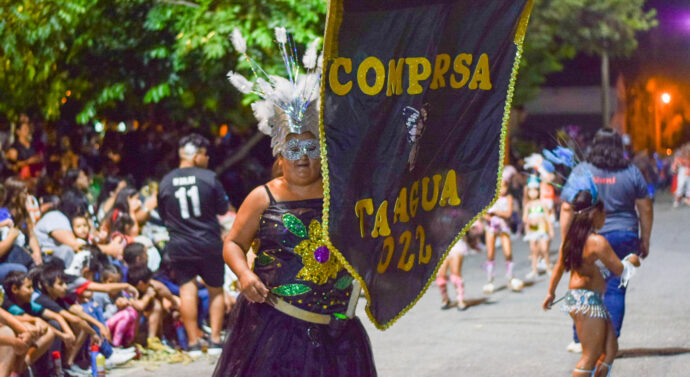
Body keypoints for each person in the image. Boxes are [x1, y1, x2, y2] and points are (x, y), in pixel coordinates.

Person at [216, 30, 375, 377]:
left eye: (310, 148)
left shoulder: (342, 192)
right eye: (293, 149)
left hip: (337, 330)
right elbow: (233, 243)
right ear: (279, 152)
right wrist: (243, 274)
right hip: (274, 327)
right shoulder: (263, 197)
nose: (303, 157)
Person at [559, 128, 653, 353]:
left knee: (585, 287)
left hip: (588, 237)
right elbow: (645, 207)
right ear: (618, 146)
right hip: (624, 235)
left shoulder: (582, 170)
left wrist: (566, 242)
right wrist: (645, 239)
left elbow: (566, 207)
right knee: (615, 290)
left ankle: (581, 339)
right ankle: (609, 342)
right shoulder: (631, 172)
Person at [544, 189, 640, 377]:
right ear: (595, 214)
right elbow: (620, 271)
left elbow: (559, 268)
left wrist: (551, 292)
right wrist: (632, 260)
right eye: (604, 213)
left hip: (585, 300)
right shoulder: (597, 242)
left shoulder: (572, 240)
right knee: (591, 355)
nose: (605, 218)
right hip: (586, 302)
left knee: (610, 349)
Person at [157, 133, 230, 353]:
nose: (207, 160)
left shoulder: (166, 181)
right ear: (197, 155)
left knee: (187, 290)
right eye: (206, 155)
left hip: (180, 244)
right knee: (215, 290)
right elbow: (223, 209)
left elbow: (163, 215)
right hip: (208, 242)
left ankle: (192, 342)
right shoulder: (208, 178)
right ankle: (216, 339)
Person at [483, 175, 523, 293]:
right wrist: (489, 217)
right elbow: (483, 213)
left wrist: (495, 212)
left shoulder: (508, 198)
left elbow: (508, 213)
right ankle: (490, 280)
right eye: (499, 187)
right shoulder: (489, 198)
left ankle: (511, 277)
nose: (502, 190)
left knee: (508, 253)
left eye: (504, 187)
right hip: (491, 227)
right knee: (490, 254)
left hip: (504, 226)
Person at [523, 175, 554, 280]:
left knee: (544, 248)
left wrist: (551, 230)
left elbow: (547, 217)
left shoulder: (542, 203)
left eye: (535, 191)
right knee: (533, 250)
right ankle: (534, 269)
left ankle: (548, 267)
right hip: (532, 230)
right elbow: (524, 218)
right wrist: (530, 221)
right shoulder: (528, 205)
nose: (533, 193)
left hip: (542, 229)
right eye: (530, 191)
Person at [436, 236, 469, 310]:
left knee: (455, 274)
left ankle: (460, 299)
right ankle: (445, 298)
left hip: (455, 244)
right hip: (439, 245)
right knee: (440, 276)